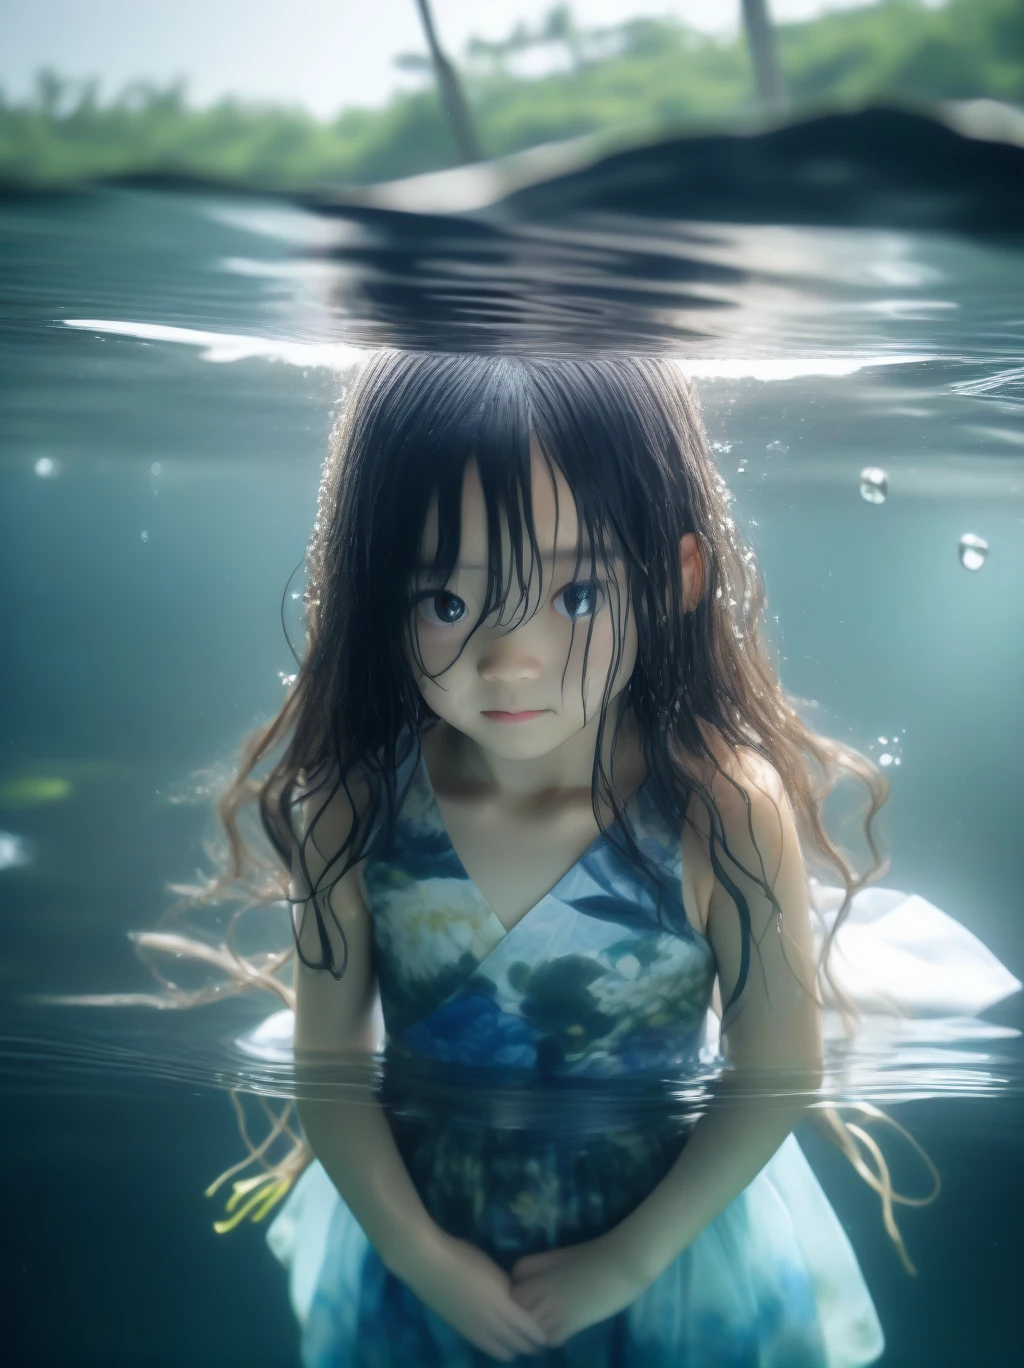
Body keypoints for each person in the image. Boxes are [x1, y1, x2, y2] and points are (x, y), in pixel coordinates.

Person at [205, 350, 901, 1367]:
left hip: (672, 1260)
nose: (510, 659)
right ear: (375, 589)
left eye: (575, 595)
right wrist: (415, 1251)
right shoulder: (353, 811)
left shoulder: (720, 814)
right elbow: (327, 1067)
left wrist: (628, 1259)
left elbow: (778, 1074)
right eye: (446, 601)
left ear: (676, 579)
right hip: (421, 1260)